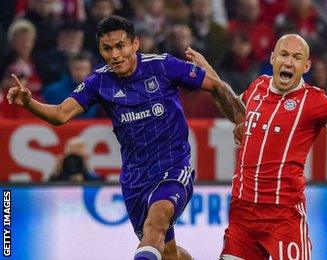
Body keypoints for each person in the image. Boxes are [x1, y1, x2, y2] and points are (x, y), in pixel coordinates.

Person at [5, 15, 245, 260]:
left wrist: (241, 121)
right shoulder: (99, 82)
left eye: (121, 46)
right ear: (100, 50)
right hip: (135, 180)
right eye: (107, 49)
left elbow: (216, 86)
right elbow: (60, 114)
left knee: (156, 222)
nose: (115, 55)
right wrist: (29, 103)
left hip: (174, 168)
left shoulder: (163, 66)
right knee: (168, 253)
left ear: (135, 44)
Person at [184, 33, 327, 260]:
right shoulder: (258, 86)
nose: (289, 62)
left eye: (297, 58)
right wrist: (210, 75)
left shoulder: (313, 102)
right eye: (284, 55)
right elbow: (237, 112)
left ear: (306, 67)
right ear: (273, 58)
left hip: (283, 215)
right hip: (242, 212)